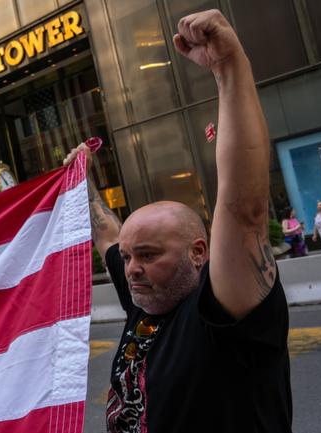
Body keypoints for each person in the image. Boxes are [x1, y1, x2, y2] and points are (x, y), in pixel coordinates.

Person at [64, 10, 290, 433]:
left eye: (148, 255)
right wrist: (82, 180)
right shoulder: (145, 295)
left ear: (198, 252)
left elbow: (245, 213)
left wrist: (228, 67)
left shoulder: (222, 312)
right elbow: (108, 233)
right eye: (130, 256)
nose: (130, 268)